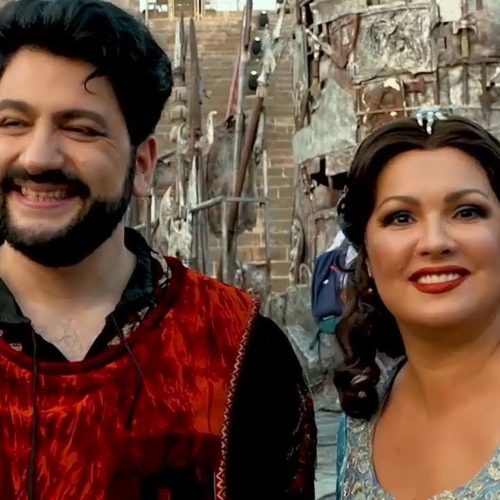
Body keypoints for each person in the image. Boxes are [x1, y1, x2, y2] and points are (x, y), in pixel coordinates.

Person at [0, 1, 317, 498]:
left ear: (143, 165)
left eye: (80, 128)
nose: (38, 157)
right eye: (11, 123)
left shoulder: (240, 348)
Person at [334, 112, 500, 499]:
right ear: (367, 257)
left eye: (467, 211)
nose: (435, 242)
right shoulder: (360, 419)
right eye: (401, 217)